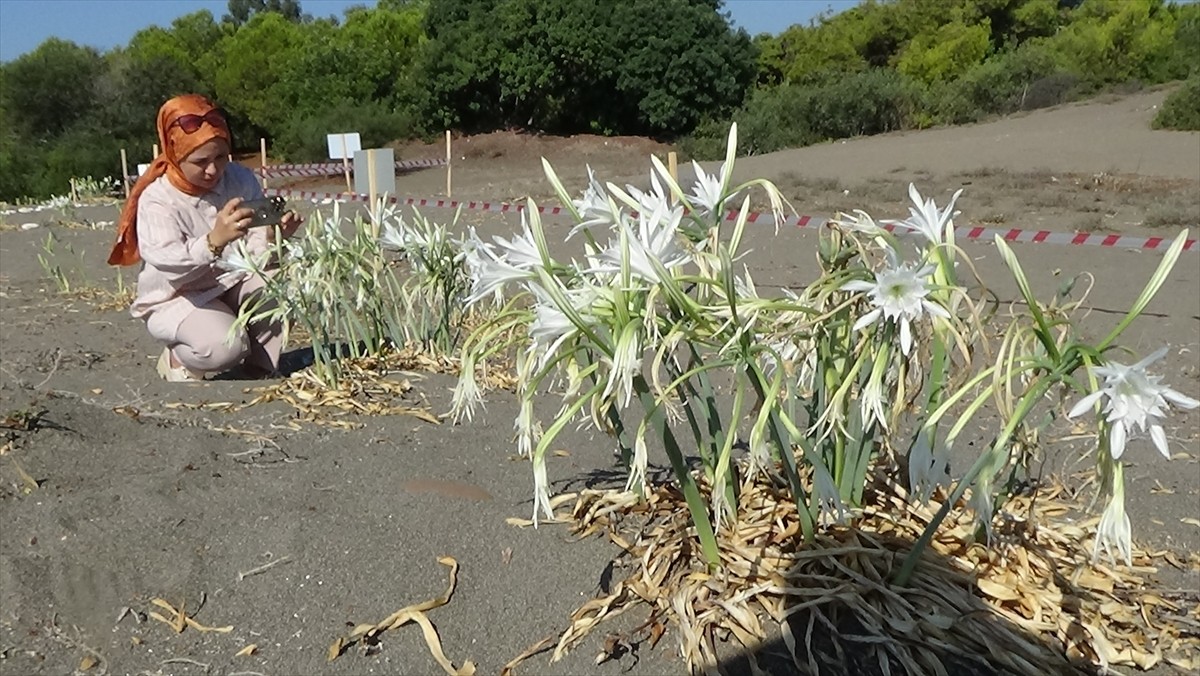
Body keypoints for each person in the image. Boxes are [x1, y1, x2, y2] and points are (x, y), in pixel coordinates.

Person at [108, 94, 302, 382]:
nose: (213, 170)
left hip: (233, 281)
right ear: (175, 155)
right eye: (201, 161)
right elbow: (166, 261)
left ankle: (260, 367)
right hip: (179, 294)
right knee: (224, 347)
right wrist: (214, 241)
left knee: (286, 286)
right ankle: (179, 359)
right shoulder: (158, 200)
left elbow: (256, 249)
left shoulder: (239, 179)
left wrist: (274, 238)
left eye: (221, 157)